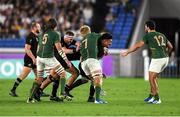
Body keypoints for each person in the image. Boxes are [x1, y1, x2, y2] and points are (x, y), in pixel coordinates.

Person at [120, 20, 173, 104]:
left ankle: (157, 99)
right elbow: (170, 46)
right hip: (163, 58)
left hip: (158, 59)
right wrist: (167, 53)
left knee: (152, 78)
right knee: (152, 77)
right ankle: (151, 96)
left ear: (148, 27)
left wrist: (127, 52)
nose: (144, 28)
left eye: (145, 26)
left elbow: (138, 46)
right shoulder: (161, 35)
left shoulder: (148, 35)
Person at [27, 18, 71, 103]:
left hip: (39, 58)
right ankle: (62, 94)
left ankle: (30, 98)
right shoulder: (55, 34)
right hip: (48, 58)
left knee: (39, 79)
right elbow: (59, 49)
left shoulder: (41, 34)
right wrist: (66, 61)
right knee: (63, 73)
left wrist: (36, 58)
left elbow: (39, 47)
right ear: (54, 26)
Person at [39, 30, 80, 101]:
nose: (71, 41)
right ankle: (64, 91)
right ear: (66, 37)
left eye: (72, 39)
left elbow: (77, 42)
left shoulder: (69, 40)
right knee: (75, 73)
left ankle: (52, 95)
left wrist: (78, 44)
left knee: (55, 77)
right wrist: (75, 50)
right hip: (58, 59)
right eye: (70, 39)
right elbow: (64, 50)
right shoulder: (60, 40)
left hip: (57, 59)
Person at [79, 25, 112, 104]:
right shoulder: (93, 35)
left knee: (94, 79)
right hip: (92, 60)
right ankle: (97, 99)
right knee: (98, 78)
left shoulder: (82, 40)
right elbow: (103, 35)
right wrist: (105, 48)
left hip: (83, 63)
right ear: (89, 31)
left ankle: (97, 90)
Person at [9, 22, 41, 97]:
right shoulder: (30, 36)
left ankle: (38, 91)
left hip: (35, 59)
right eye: (38, 27)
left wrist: (37, 57)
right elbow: (27, 49)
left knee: (39, 75)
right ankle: (12, 90)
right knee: (24, 75)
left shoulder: (36, 37)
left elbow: (36, 49)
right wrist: (33, 58)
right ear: (34, 28)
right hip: (29, 59)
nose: (40, 28)